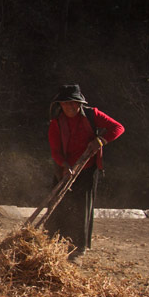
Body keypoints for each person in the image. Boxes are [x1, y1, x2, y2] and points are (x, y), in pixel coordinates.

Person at [45, 84, 124, 261]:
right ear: (60, 105)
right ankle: (51, 243)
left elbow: (118, 128)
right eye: (66, 104)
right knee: (57, 206)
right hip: (64, 170)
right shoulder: (56, 122)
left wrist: (101, 140)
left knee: (81, 209)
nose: (70, 107)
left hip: (87, 169)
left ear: (80, 103)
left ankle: (77, 250)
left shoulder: (92, 115)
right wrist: (64, 165)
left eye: (74, 103)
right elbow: (55, 151)